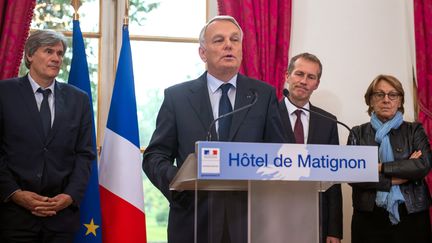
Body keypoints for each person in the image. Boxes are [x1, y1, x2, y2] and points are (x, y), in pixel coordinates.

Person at [142, 15, 285, 243]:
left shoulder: (263, 95)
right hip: (194, 217)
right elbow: (154, 156)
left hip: (248, 220)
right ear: (202, 53)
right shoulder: (177, 97)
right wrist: (181, 185)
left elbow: (281, 153)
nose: (228, 45)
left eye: (235, 39)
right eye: (219, 40)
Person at [0, 30, 95, 242]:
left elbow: (85, 154)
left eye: (60, 53)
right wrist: (15, 193)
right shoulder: (4, 93)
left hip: (61, 217)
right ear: (30, 55)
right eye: (49, 51)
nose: (56, 58)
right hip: (13, 217)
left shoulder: (78, 100)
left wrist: (69, 196)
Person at [347, 74, 431, 243]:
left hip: (412, 214)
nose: (386, 100)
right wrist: (398, 176)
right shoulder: (357, 133)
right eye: (379, 94)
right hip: (369, 217)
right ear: (371, 100)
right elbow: (353, 174)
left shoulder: (414, 130)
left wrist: (378, 167)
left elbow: (422, 165)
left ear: (400, 101)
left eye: (393, 95)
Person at [279, 52, 343, 243]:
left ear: (317, 84)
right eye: (299, 74)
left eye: (311, 77)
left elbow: (333, 177)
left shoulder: (328, 122)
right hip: (274, 213)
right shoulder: (267, 115)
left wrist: (334, 230)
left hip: (316, 217)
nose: (304, 81)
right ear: (287, 76)